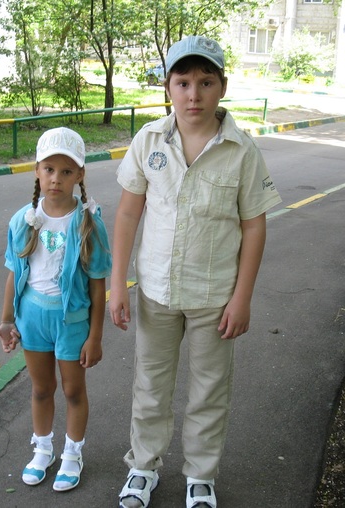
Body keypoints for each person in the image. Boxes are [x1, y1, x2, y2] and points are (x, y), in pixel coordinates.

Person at [108, 36, 282, 508]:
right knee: (150, 385)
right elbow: (128, 213)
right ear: (167, 86)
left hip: (214, 297)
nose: (193, 95)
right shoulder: (149, 141)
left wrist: (242, 298)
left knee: (209, 391)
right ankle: (143, 467)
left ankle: (201, 476)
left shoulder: (241, 150)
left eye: (206, 82)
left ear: (222, 86)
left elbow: (254, 226)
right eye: (182, 83)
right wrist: (118, 283)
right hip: (156, 292)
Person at [0, 127, 111, 492]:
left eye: (66, 171)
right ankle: (43, 449)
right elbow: (14, 273)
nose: (56, 178)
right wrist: (7, 320)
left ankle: (72, 454)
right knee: (41, 388)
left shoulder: (88, 223)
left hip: (71, 321)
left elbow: (97, 284)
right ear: (37, 171)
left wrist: (95, 337)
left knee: (73, 390)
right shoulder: (23, 219)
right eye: (48, 169)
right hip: (32, 318)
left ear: (80, 175)